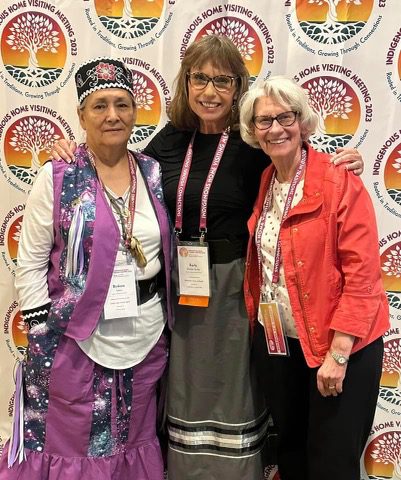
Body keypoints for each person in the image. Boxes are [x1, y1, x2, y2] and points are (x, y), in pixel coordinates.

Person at [50, 36, 364, 479]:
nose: (210, 91)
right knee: (183, 387)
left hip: (236, 286)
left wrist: (337, 162)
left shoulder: (253, 144)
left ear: (238, 88)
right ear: (187, 83)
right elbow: (114, 164)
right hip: (179, 286)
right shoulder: (169, 142)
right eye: (200, 78)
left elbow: (296, 166)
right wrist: (72, 153)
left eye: (222, 80)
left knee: (234, 389)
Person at [0, 58, 172, 480]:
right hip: (76, 337)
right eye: (99, 106)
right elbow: (32, 259)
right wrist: (42, 330)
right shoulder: (58, 175)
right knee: (71, 438)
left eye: (122, 104)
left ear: (135, 111)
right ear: (81, 114)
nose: (112, 115)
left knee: (131, 436)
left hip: (145, 332)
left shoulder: (151, 171)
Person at [240, 76, 389, 480]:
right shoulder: (267, 179)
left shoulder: (339, 180)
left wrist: (338, 355)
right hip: (281, 343)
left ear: (303, 122)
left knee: (332, 465)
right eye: (263, 121)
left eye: (285, 117)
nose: (275, 128)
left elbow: (363, 277)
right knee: (291, 453)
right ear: (253, 131)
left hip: (339, 349)